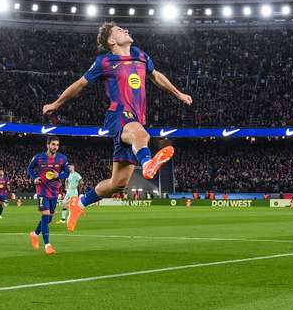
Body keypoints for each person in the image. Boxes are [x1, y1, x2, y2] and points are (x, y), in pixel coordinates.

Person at [43, 22, 192, 232]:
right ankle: (148, 163)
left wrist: (178, 94)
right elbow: (80, 84)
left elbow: (156, 76)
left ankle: (81, 203)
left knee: (118, 184)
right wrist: (56, 104)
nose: (127, 30)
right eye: (120, 30)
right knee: (142, 134)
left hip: (136, 120)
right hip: (119, 115)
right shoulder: (104, 62)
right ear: (111, 41)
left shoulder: (140, 55)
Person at [28, 136, 69, 255]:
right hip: (42, 190)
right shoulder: (38, 157)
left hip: (54, 191)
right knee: (45, 215)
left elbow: (66, 173)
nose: (55, 147)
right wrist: (35, 177)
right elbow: (30, 169)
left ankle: (35, 234)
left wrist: (59, 176)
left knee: (49, 217)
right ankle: (47, 245)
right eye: (53, 144)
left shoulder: (62, 158)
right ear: (48, 145)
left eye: (57, 145)